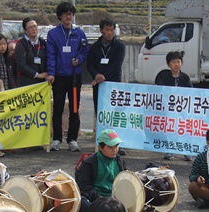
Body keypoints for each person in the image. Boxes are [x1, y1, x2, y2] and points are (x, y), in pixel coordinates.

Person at [47, 2, 89, 152]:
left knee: (74, 109)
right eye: (65, 14)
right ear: (60, 16)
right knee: (58, 108)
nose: (68, 16)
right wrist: (51, 73)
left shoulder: (79, 33)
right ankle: (57, 139)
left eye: (71, 13)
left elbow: (85, 51)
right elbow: (50, 55)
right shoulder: (53, 34)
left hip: (74, 78)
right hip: (59, 77)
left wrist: (79, 60)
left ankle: (72, 139)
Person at [87, 18, 127, 155]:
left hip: (113, 85)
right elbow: (90, 65)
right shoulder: (94, 47)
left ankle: (117, 144)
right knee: (101, 114)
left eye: (112, 30)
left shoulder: (119, 46)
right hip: (99, 86)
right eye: (107, 29)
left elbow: (116, 65)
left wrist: (101, 77)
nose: (110, 32)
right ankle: (103, 144)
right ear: (101, 30)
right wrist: (96, 75)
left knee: (115, 115)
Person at [75, 129, 126, 212]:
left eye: (116, 145)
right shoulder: (89, 163)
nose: (115, 150)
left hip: (114, 198)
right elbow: (84, 186)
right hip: (95, 198)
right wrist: (100, 199)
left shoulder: (120, 160)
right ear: (100, 147)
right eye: (110, 147)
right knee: (81, 200)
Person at [156, 51, 192, 161]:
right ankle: (170, 150)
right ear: (168, 64)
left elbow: (191, 91)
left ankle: (185, 150)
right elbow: (160, 90)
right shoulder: (165, 77)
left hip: (183, 109)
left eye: (178, 61)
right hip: (169, 109)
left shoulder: (185, 77)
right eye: (173, 62)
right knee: (170, 129)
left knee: (184, 128)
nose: (176, 64)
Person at [14, 18, 49, 87]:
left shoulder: (42, 42)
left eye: (35, 26)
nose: (34, 29)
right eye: (30, 27)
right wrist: (37, 75)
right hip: (27, 83)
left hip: (42, 82)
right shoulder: (21, 45)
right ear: (25, 30)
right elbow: (22, 66)